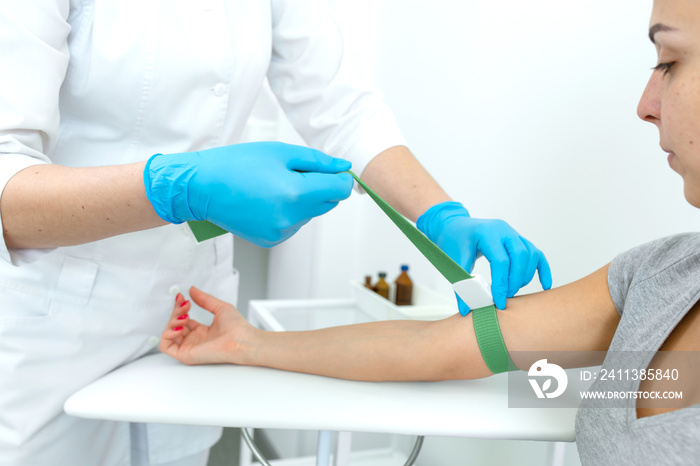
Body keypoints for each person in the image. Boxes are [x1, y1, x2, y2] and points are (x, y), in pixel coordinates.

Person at [0, 1, 551, 465]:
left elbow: (342, 108)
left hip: (187, 305)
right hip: (53, 312)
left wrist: (440, 214)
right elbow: (8, 182)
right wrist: (178, 187)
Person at [159, 1, 700, 464]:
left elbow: (340, 108)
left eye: (670, 63)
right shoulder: (659, 278)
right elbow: (436, 348)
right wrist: (248, 343)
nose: (645, 106)